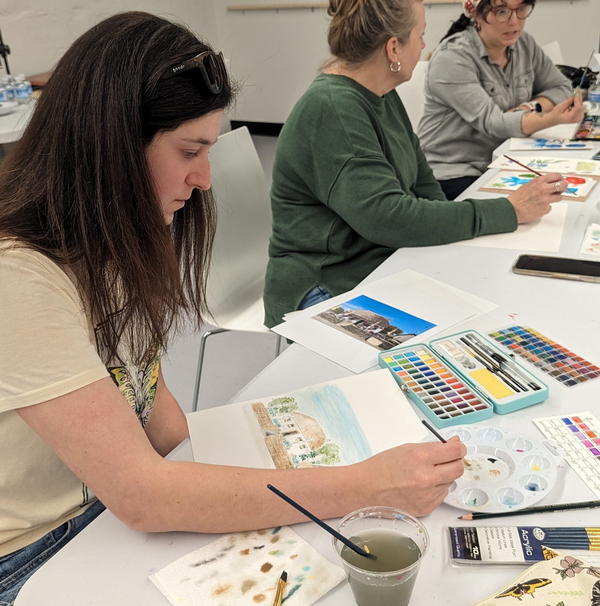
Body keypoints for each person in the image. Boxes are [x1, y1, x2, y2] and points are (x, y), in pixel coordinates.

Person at [0, 12, 467, 604]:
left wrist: (304, 447)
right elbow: (143, 495)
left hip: (103, 513)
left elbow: (162, 424)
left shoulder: (116, 240)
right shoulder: (20, 276)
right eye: (189, 150)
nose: (203, 178)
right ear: (108, 146)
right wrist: (359, 484)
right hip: (36, 554)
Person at [263, 0, 569, 328]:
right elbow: (389, 218)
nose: (424, 46)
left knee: (497, 301)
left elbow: (423, 184)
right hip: (327, 280)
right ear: (394, 48)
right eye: (420, 35)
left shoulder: (379, 92)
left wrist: (454, 232)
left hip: (381, 258)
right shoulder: (333, 108)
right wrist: (508, 211)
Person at [418, 0, 583, 200]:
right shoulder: (452, 58)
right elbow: (495, 124)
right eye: (501, 12)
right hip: (453, 172)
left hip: (502, 160)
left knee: (562, 194)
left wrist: (530, 107)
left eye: (521, 9)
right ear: (476, 14)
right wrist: (551, 118)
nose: (514, 22)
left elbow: (562, 86)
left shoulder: (524, 44)